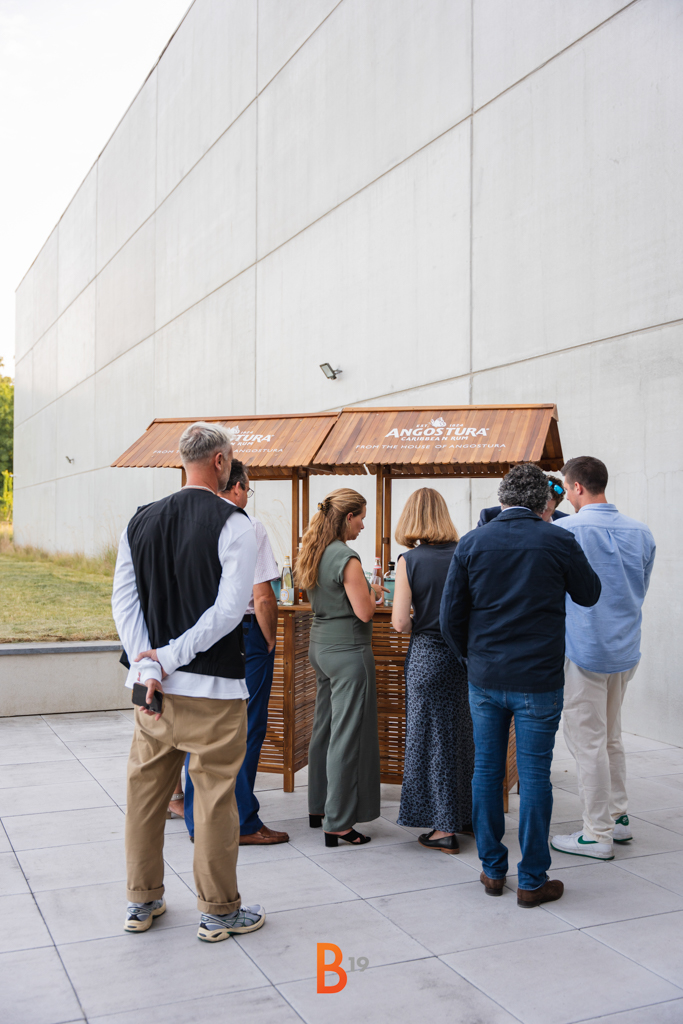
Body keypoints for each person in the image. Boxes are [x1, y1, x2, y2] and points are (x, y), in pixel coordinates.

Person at [112, 421, 266, 942]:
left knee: (144, 796)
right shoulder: (236, 523)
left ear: (184, 460)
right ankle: (218, 912)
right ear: (221, 461)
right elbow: (228, 612)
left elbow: (124, 603)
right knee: (215, 800)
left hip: (151, 691)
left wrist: (148, 666)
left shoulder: (139, 519)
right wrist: (168, 657)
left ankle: (141, 901)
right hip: (214, 689)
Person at [440, 463, 601, 908]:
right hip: (538, 678)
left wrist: (471, 660)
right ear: (545, 502)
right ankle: (532, 880)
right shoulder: (558, 539)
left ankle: (493, 871)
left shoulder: (472, 542)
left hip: (485, 677)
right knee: (533, 777)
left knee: (487, 772)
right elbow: (589, 593)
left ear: (503, 498)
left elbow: (450, 617)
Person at [551, 457, 656, 860]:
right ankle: (618, 817)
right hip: (625, 648)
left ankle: (597, 834)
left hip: (584, 649)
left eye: (565, 488)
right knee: (611, 735)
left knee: (588, 742)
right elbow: (640, 588)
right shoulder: (641, 532)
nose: (565, 495)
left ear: (577, 487)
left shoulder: (566, 532)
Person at [183, 460, 288, 846]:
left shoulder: (189, 522)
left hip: (197, 636)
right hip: (243, 636)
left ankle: (197, 820)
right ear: (238, 486)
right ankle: (242, 821)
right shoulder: (247, 525)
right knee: (247, 727)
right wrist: (270, 640)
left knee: (201, 728)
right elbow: (263, 597)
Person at [296, 488, 383, 847]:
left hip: (320, 647)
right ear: (348, 517)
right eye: (361, 518)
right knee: (347, 737)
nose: (363, 525)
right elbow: (364, 612)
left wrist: (365, 589)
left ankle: (319, 807)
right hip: (348, 651)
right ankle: (339, 823)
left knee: (325, 729)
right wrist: (375, 595)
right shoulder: (347, 557)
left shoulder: (314, 549)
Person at [391, 488, 474, 854]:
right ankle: (465, 816)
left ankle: (443, 829)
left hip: (427, 655)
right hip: (464, 658)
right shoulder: (465, 553)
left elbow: (399, 623)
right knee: (462, 738)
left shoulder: (409, 560)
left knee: (431, 742)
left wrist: (420, 620)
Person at [477, 474, 568, 527]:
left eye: (546, 510)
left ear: (553, 511)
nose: (540, 513)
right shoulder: (489, 516)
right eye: (537, 506)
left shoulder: (565, 522)